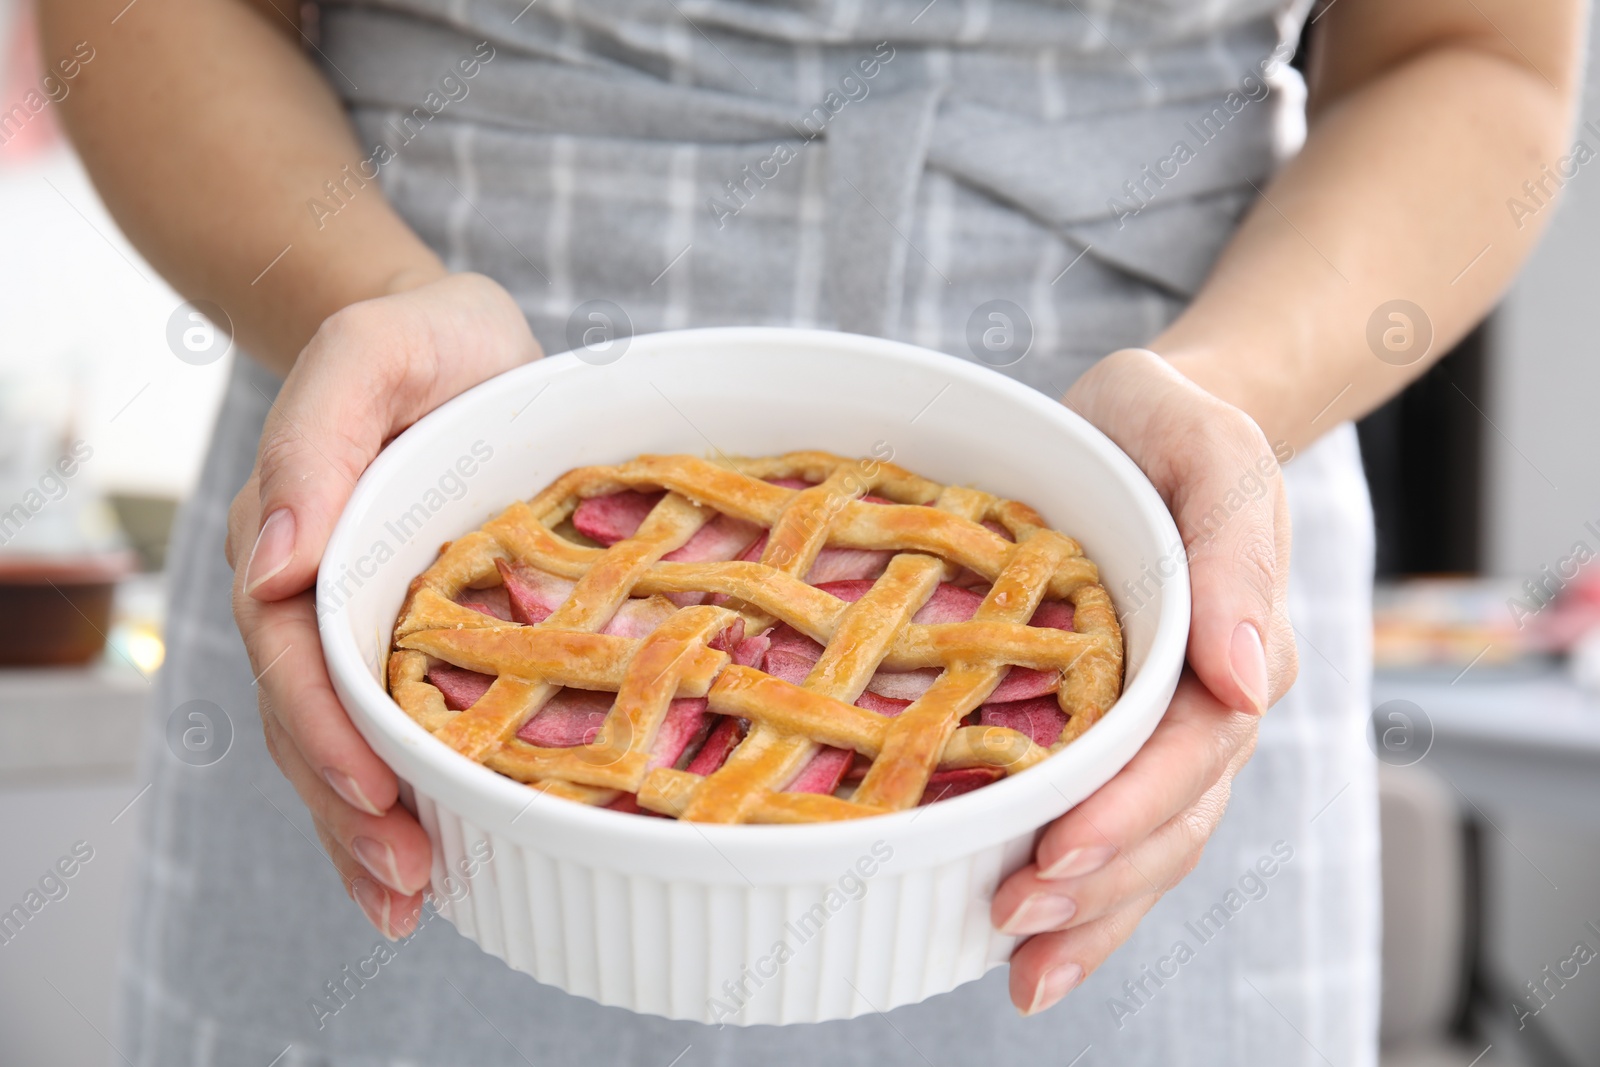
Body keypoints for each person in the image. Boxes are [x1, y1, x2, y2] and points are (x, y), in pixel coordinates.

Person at [44, 0, 1580, 1062]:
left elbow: (1477, 54)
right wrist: (362, 306)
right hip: (422, 462)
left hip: (1145, 513)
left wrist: (1219, 396)